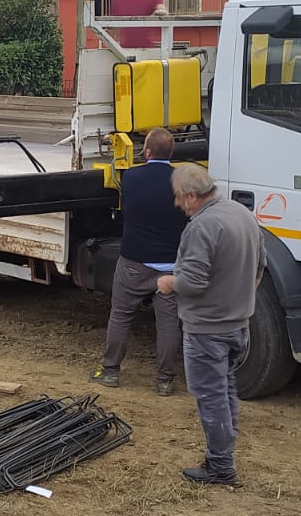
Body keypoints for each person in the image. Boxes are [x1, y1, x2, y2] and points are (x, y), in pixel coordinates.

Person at [155, 163, 264, 487]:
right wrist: (236, 297)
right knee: (226, 388)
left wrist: (169, 283)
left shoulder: (202, 227)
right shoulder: (241, 214)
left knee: (211, 396)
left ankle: (221, 467)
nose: (176, 205)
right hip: (238, 324)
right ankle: (222, 453)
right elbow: (260, 267)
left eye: (178, 198)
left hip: (207, 329)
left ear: (191, 196)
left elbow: (193, 282)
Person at [91, 126, 189, 394]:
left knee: (121, 315)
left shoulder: (132, 177)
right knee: (168, 322)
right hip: (170, 267)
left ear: (146, 151)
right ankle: (165, 380)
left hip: (134, 263)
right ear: (171, 152)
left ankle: (110, 371)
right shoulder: (182, 183)